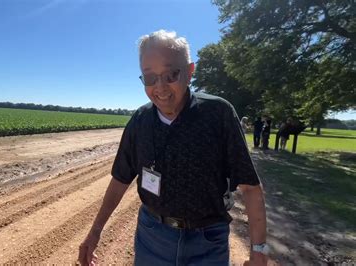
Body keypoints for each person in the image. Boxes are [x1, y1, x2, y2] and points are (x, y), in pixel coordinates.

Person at [78, 30, 268, 266]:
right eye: (150, 78)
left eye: (171, 75)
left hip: (208, 242)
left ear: (190, 72)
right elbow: (120, 179)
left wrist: (258, 251)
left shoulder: (218, 114)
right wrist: (95, 231)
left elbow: (250, 187)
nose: (161, 87)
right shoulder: (140, 120)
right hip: (152, 237)